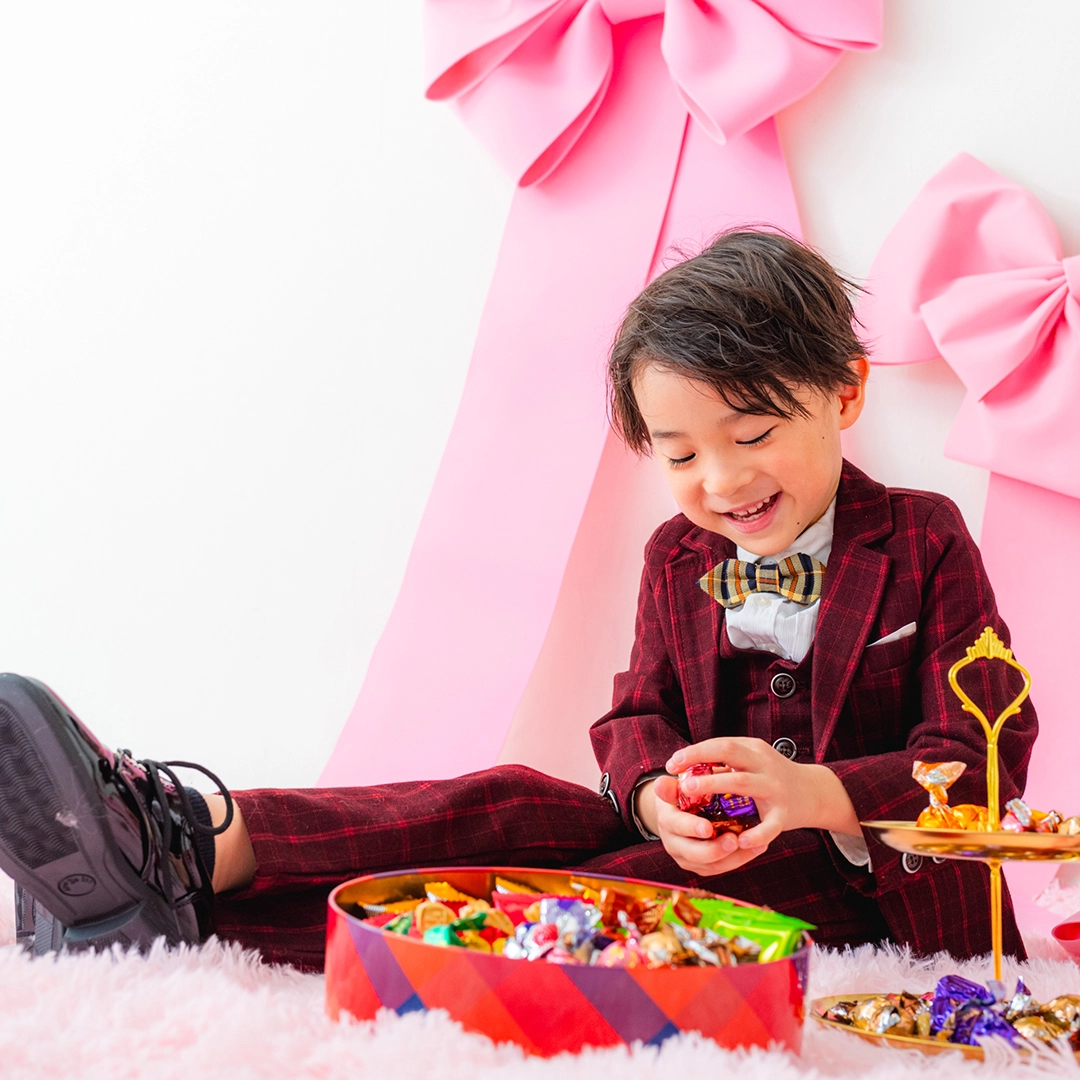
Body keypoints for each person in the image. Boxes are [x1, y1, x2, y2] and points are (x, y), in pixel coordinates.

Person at [0, 231, 1036, 971]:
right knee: (512, 800)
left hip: (868, 895)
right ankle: (191, 839)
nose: (722, 481)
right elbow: (636, 715)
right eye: (680, 455)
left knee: (593, 896)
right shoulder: (678, 555)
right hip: (686, 835)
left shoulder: (921, 537)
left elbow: (986, 756)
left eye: (754, 435)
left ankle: (197, 924)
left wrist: (812, 795)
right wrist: (652, 795)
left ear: (846, 392)